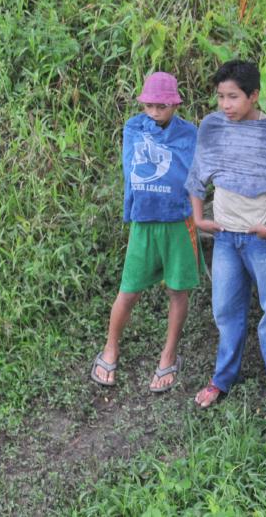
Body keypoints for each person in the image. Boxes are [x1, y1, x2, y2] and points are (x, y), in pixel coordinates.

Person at [186, 60, 266, 413]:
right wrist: (199, 218)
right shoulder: (212, 127)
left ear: (254, 96)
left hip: (262, 242)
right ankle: (222, 379)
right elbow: (196, 177)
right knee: (226, 310)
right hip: (225, 238)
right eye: (220, 97)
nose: (225, 105)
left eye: (234, 97)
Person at [91, 71, 199, 392]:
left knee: (177, 291)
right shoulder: (134, 127)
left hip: (177, 224)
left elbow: (192, 175)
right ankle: (110, 347)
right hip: (144, 224)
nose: (154, 112)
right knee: (129, 290)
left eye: (162, 107)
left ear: (175, 105)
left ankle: (169, 356)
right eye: (149, 106)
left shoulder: (189, 134)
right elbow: (133, 168)